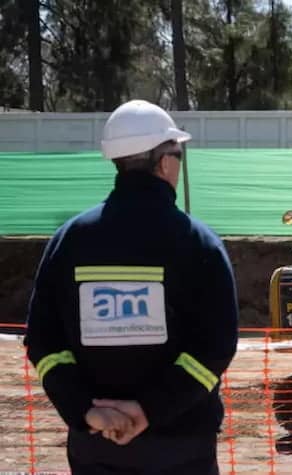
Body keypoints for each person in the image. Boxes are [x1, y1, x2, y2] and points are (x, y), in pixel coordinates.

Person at [24, 99, 239, 474]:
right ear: (165, 162)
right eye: (178, 154)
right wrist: (148, 411)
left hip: (97, 448)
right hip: (181, 447)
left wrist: (88, 412)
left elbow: (45, 345)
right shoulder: (198, 243)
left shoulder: (69, 241)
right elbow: (214, 350)